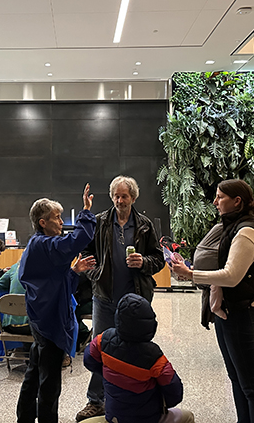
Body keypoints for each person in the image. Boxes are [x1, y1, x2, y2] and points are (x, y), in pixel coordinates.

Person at [171, 179, 254, 423]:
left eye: (220, 197)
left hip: (241, 314)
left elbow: (231, 275)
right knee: (237, 379)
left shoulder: (247, 231)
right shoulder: (231, 227)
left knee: (252, 386)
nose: (215, 202)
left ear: (237, 201)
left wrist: (190, 274)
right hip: (227, 312)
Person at [77, 176, 165, 422]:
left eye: (124, 196)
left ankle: (137, 399)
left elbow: (158, 259)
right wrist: (95, 274)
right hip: (104, 298)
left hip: (136, 302)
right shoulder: (99, 222)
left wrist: (143, 262)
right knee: (100, 348)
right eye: (116, 195)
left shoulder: (145, 225)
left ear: (133, 198)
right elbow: (85, 252)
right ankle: (96, 401)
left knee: (137, 349)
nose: (119, 200)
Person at [16, 184, 97, 423]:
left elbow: (54, 282)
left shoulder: (39, 245)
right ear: (43, 222)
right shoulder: (43, 244)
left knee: (34, 374)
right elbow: (79, 239)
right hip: (47, 321)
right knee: (49, 381)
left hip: (42, 318)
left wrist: (72, 271)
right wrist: (86, 211)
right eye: (57, 217)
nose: (61, 222)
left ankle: (25, 418)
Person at [84, 293, 194, 423]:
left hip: (114, 418)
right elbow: (175, 393)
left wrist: (110, 376)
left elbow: (88, 360)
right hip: (148, 418)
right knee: (187, 416)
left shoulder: (103, 339)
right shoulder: (153, 355)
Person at [0, 261, 30, 335]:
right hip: (32, 327)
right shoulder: (43, 271)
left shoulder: (15, 267)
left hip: (10, 326)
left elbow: (0, 284)